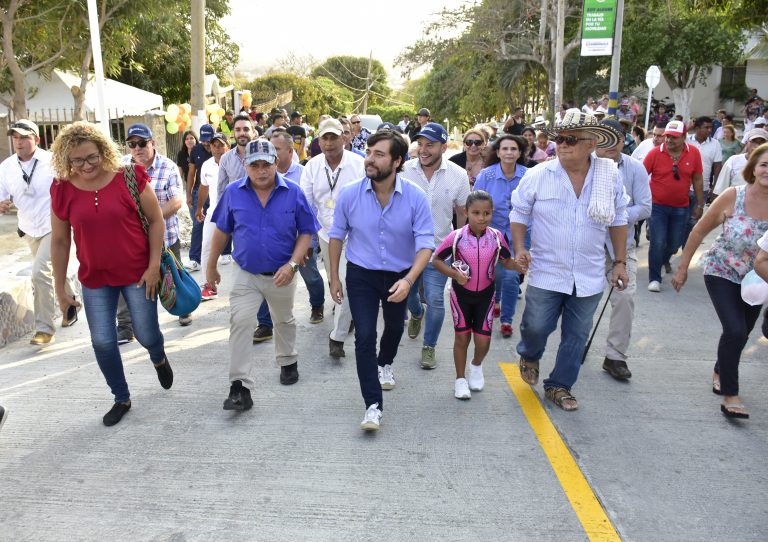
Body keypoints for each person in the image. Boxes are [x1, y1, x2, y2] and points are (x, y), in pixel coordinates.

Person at [49, 121, 173, 427]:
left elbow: (156, 220)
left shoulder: (128, 176)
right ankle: (121, 397)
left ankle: (158, 356)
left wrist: (154, 266)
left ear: (103, 151)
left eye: (91, 157)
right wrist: (60, 287)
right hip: (94, 279)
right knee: (103, 341)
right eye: (77, 160)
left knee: (146, 334)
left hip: (138, 274)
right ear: (66, 159)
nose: (86, 165)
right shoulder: (62, 188)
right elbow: (61, 240)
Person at [510, 109, 629, 411]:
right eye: (559, 139)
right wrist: (520, 248)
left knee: (576, 336)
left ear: (591, 143)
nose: (562, 145)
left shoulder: (609, 176)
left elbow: (618, 220)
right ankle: (529, 354)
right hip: (546, 270)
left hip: (588, 274)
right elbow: (519, 214)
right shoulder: (538, 175)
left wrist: (620, 262)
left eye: (571, 140)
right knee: (536, 326)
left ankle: (560, 385)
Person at [328, 130, 434, 431]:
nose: (369, 159)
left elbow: (426, 243)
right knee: (364, 336)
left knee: (394, 328)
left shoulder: (415, 196)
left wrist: (410, 281)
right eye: (369, 152)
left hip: (400, 275)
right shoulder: (350, 193)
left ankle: (385, 362)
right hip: (361, 274)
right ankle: (373, 405)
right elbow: (337, 236)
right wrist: (335, 277)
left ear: (397, 161)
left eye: (379, 154)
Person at [206, 140, 319, 412]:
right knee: (241, 322)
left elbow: (306, 231)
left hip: (282, 273)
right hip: (246, 272)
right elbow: (222, 230)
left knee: (283, 319)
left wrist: (293, 264)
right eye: (254, 165)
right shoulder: (233, 193)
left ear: (275, 163)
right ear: (245, 166)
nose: (261, 171)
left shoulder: (293, 192)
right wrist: (211, 266)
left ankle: (287, 360)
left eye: (266, 164)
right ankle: (239, 386)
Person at [671, 143, 768, 420]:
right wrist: (682, 268)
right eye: (764, 164)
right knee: (735, 330)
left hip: (757, 280)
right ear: (753, 168)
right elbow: (699, 231)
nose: (767, 171)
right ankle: (730, 393)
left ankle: (720, 369)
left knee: (742, 332)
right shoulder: (733, 196)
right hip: (722, 270)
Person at [432, 191, 522, 399]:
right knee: (462, 338)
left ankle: (476, 365)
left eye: (487, 213)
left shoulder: (497, 238)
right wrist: (455, 275)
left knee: (483, 342)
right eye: (476, 213)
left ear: (492, 213)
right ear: (466, 212)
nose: (482, 218)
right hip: (461, 296)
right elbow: (437, 261)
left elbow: (506, 261)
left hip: (486, 296)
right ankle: (460, 380)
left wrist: (521, 267)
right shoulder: (456, 237)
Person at [0, 119, 77, 345]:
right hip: (29, 228)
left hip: (55, 225)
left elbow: (69, 187)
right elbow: (2, 196)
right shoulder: (6, 167)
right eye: (15, 137)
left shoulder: (52, 161)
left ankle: (44, 328)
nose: (19, 142)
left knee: (39, 271)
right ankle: (70, 305)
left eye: (24, 137)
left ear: (36, 139)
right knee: (52, 270)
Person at [401, 122, 470, 369]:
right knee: (407, 296)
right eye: (420, 144)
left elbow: (462, 214)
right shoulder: (404, 170)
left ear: (443, 146)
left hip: (440, 251)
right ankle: (417, 314)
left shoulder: (458, 175)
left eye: (430, 145)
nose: (424, 150)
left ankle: (429, 347)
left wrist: (461, 246)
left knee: (436, 300)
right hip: (406, 251)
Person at [300, 118, 366, 358]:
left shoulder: (359, 164)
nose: (328, 143)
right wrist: (306, 239)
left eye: (333, 137)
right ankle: (346, 317)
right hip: (327, 234)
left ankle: (337, 337)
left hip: (357, 235)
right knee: (336, 283)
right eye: (324, 138)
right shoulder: (312, 167)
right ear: (318, 140)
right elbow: (305, 205)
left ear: (344, 138)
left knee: (348, 284)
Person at [119, 123, 189, 333]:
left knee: (173, 278)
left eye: (142, 143)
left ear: (153, 143)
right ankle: (125, 325)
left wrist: (151, 219)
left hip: (166, 236)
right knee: (126, 281)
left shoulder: (167, 167)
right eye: (132, 144)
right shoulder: (121, 167)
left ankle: (182, 307)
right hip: (131, 242)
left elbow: (176, 201)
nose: (137, 148)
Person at [596, 119, 652, 380]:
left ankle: (615, 356)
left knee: (625, 297)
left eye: (615, 137)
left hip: (622, 246)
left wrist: (615, 215)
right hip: (589, 244)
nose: (610, 143)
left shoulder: (635, 168)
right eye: (604, 137)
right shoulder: (584, 165)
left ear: (623, 140)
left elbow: (644, 207)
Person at [473, 134, 528, 338]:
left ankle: (506, 320)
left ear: (520, 153)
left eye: (513, 149)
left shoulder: (528, 175)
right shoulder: (486, 176)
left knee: (512, 276)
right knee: (494, 274)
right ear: (497, 152)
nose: (509, 153)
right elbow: (476, 204)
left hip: (519, 235)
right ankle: (494, 300)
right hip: (491, 234)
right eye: (504, 149)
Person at [643, 120, 704, 292]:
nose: (669, 140)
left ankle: (663, 259)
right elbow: (640, 176)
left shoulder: (694, 153)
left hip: (681, 207)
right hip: (657, 206)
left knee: (674, 243)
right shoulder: (655, 153)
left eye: (674, 137)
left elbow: (697, 179)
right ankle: (654, 277)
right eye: (667, 136)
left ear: (684, 137)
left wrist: (700, 205)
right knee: (658, 241)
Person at [195, 132, 230, 300]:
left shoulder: (236, 162)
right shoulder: (207, 165)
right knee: (207, 247)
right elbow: (204, 187)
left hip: (237, 213)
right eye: (214, 145)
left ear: (227, 146)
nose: (217, 148)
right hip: (214, 212)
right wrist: (199, 207)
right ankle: (208, 285)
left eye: (220, 145)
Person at [184, 123, 214, 272]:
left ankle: (227, 253)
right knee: (198, 224)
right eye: (203, 140)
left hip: (216, 191)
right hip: (199, 191)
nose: (206, 143)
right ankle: (194, 259)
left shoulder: (219, 148)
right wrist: (188, 193)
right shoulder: (195, 150)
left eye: (209, 139)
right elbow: (191, 173)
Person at [712, 128, 768, 197]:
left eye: (761, 143)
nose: (757, 146)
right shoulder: (733, 161)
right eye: (753, 141)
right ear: (747, 143)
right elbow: (720, 190)